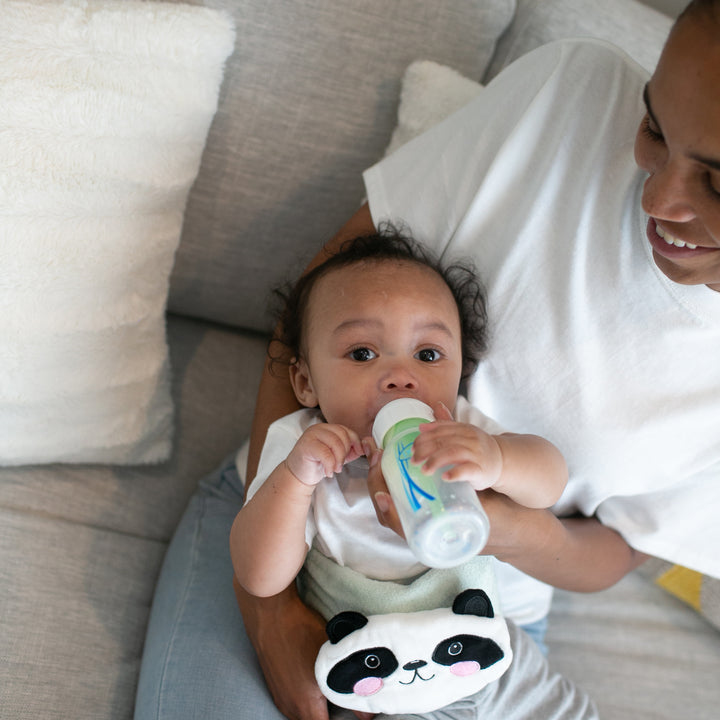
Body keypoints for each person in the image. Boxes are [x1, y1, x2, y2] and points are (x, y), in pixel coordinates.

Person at [134, 3, 720, 719]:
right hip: (289, 543)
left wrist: (498, 508)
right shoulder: (571, 97)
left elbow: (593, 529)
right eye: (654, 126)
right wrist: (271, 614)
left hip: (472, 614)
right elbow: (323, 297)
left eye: (718, 181)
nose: (657, 197)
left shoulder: (463, 427)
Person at [229, 229, 574, 717]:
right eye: (362, 353)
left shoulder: (455, 427)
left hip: (481, 652)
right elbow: (258, 577)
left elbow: (551, 482)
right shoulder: (303, 447)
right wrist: (295, 480)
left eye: (428, 355)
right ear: (305, 381)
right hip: (374, 678)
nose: (399, 375)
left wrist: (498, 458)